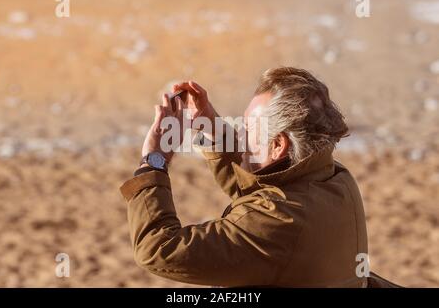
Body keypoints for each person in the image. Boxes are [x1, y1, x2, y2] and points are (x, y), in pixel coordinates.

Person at [120, 67, 370, 287]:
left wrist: (153, 162)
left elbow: (158, 250)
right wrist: (212, 128)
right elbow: (265, 193)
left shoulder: (279, 221)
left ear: (277, 146)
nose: (239, 132)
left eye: (248, 128)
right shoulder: (335, 178)